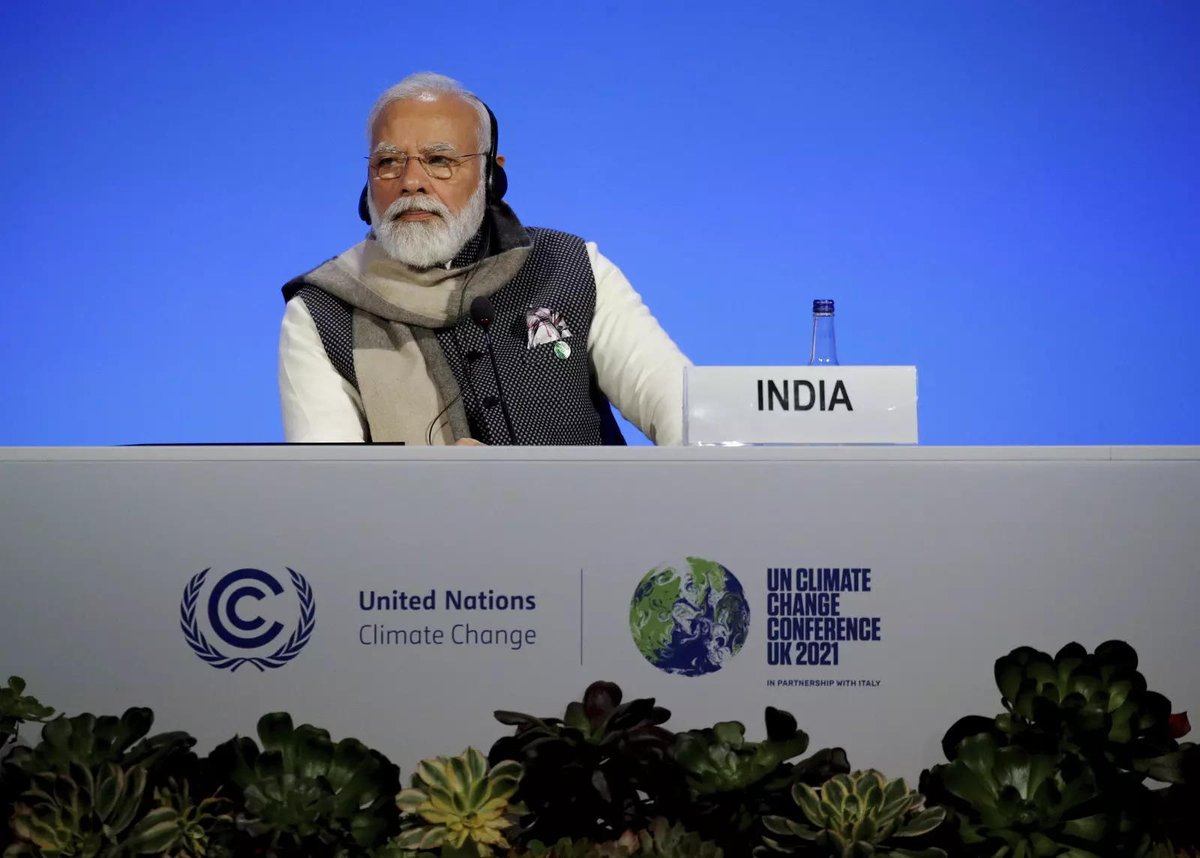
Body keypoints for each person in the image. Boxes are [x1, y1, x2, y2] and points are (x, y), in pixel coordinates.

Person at [278, 72, 691, 446]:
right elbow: (329, 485)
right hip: (418, 512)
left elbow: (683, 412)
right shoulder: (322, 312)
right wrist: (436, 489)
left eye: (439, 160)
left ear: (491, 175)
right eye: (388, 163)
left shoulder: (572, 266)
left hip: (589, 508)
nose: (411, 182)